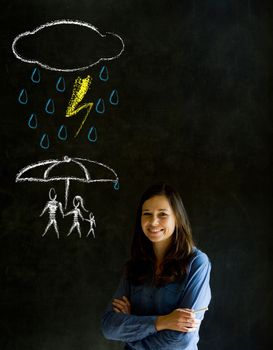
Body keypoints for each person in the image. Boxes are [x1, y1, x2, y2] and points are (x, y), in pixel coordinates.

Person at [101, 183, 211, 350]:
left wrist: (132, 331)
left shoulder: (197, 263)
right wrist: (162, 322)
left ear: (177, 218)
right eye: (147, 214)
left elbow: (182, 338)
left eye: (162, 214)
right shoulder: (133, 266)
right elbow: (109, 327)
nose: (153, 222)